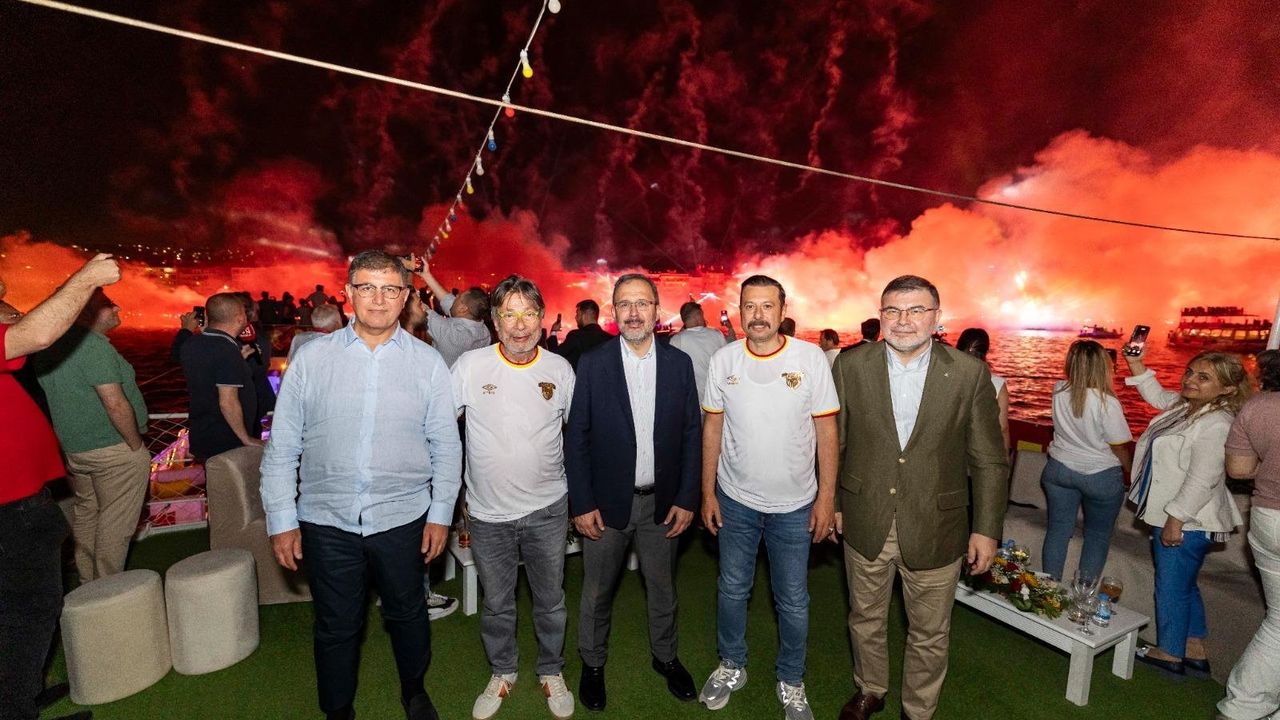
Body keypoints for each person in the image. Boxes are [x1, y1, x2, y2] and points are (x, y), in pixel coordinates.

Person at [261, 250, 462, 720]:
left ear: (405, 297)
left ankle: (414, 690)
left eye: (390, 289)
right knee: (336, 625)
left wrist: (440, 515)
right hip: (326, 520)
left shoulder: (428, 363)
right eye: (367, 287)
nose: (378, 298)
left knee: (408, 613)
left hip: (403, 517)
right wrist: (281, 519)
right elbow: (283, 445)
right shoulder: (312, 359)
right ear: (348, 293)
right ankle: (338, 710)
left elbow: (446, 446)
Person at [832, 275, 1008, 720]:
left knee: (929, 632)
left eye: (916, 310)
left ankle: (919, 710)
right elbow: (836, 443)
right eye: (892, 310)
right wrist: (832, 503)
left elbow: (989, 459)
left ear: (937, 317)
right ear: (880, 316)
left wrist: (986, 530)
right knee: (864, 617)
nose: (903, 320)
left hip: (938, 525)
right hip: (864, 516)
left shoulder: (969, 373)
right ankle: (870, 688)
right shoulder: (851, 366)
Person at [698, 274, 839, 720]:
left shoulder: (810, 358)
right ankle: (731, 664)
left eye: (766, 306)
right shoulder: (723, 359)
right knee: (731, 588)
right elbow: (713, 427)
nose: (757, 315)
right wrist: (707, 492)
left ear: (782, 310)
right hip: (735, 500)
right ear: (739, 311)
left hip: (795, 507)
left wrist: (826, 499)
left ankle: (791, 680)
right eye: (749, 306)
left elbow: (827, 431)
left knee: (793, 600)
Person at [565, 274, 702, 712]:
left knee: (662, 588)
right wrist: (582, 502)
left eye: (643, 303)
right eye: (625, 304)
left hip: (662, 504)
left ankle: (666, 657)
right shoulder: (594, 363)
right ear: (613, 312)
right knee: (597, 591)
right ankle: (592, 663)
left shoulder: (679, 364)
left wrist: (687, 498)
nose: (634, 312)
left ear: (657, 310)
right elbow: (576, 436)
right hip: (605, 505)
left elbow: (692, 434)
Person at [451, 275, 577, 720]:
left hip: (549, 509)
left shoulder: (560, 370)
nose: (519, 324)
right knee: (497, 603)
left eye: (528, 313)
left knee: (551, 600)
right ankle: (503, 670)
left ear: (542, 319)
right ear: (494, 321)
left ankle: (551, 669)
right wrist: (450, 495)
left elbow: (577, 437)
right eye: (509, 314)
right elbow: (442, 430)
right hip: (488, 514)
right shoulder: (470, 366)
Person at [1, 252, 119, 720]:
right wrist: (86, 278)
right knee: (30, 607)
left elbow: (19, 323)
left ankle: (19, 695)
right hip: (9, 504)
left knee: (19, 608)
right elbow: (35, 333)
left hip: (19, 496)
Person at [1124, 348, 1252, 675]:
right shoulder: (1187, 407)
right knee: (1184, 583)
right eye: (1190, 372)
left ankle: (1169, 652)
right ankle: (1193, 648)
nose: (1190, 380)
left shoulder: (1217, 424)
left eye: (1204, 377)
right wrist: (1136, 362)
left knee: (1170, 586)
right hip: (1183, 518)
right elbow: (1156, 395)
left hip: (1188, 520)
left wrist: (1175, 520)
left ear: (1228, 389)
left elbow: (1202, 479)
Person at [33, 289, 150, 582]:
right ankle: (107, 590)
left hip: (76, 450)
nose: (117, 308)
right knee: (115, 522)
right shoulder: (92, 346)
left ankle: (88, 584)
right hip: (112, 448)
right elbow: (114, 402)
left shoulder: (49, 345)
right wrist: (135, 445)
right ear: (88, 313)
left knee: (88, 513)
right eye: (109, 305)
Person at [1218, 350, 1280, 720]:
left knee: (1278, 622)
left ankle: (1243, 707)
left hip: (1268, 518)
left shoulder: (1258, 406)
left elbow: (1239, 469)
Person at [1039, 340, 1132, 580]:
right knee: (1097, 536)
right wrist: (1131, 471)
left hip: (1059, 469)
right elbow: (1119, 445)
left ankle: (1047, 590)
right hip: (1099, 475)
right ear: (1103, 367)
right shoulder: (1107, 403)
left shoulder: (1059, 390)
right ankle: (1083, 593)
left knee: (1058, 531)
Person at [179, 293, 262, 461]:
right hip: (227, 441)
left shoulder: (192, 343)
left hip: (204, 433)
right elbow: (227, 401)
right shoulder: (226, 350)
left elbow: (210, 373)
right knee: (230, 479)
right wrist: (245, 438)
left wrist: (239, 361)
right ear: (240, 318)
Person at [413, 259, 491, 368]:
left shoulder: (452, 335)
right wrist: (427, 275)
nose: (455, 297)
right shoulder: (484, 332)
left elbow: (419, 308)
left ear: (463, 309)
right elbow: (448, 301)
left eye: (459, 297)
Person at [956, 328, 1009, 451]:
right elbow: (1002, 428)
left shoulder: (945, 376)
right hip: (980, 452)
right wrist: (1005, 458)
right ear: (986, 351)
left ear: (958, 346)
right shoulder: (997, 384)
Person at [668, 300, 733, 402]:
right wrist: (730, 328)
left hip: (691, 401)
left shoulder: (676, 340)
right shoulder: (716, 334)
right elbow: (730, 357)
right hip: (717, 399)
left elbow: (672, 373)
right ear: (698, 316)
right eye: (702, 315)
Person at [548, 299, 612, 370]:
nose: (576, 317)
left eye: (577, 313)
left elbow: (554, 356)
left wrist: (553, 332)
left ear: (586, 314)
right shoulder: (611, 339)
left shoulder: (576, 336)